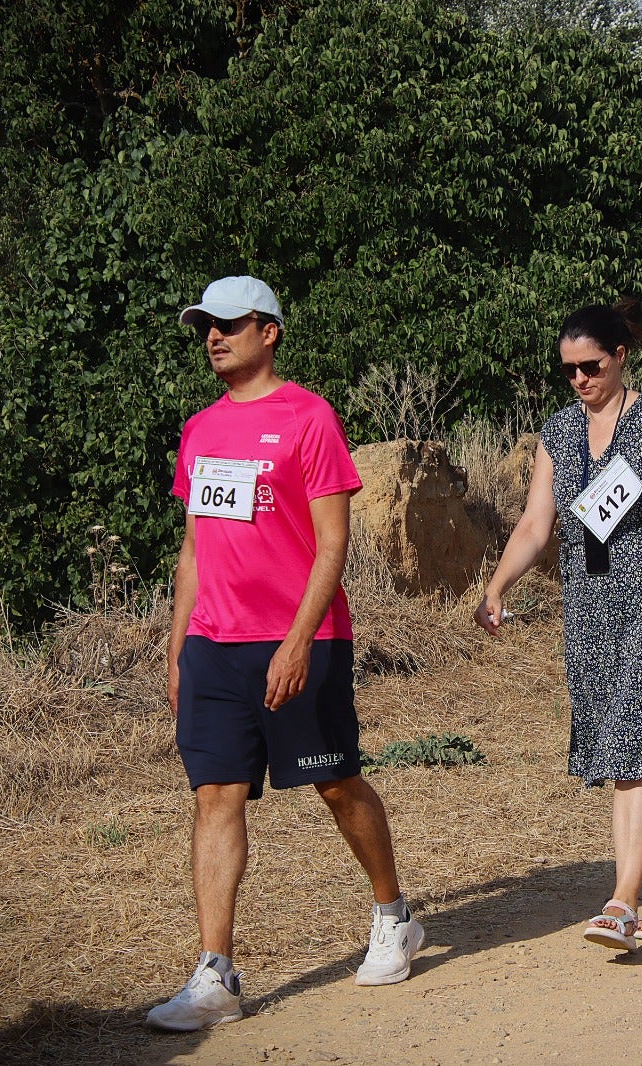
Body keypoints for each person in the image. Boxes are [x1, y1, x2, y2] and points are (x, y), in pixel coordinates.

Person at [148, 276, 423, 1032]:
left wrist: (298, 640)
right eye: (204, 324)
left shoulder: (309, 417)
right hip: (215, 646)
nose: (212, 335)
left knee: (336, 785)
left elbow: (333, 542)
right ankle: (216, 976)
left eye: (228, 323)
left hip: (302, 639)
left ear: (269, 331)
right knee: (216, 796)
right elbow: (194, 551)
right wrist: (178, 649)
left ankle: (393, 915)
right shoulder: (201, 429)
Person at [475, 301, 642, 951]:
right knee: (639, 749)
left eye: (590, 366)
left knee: (629, 740)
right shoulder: (560, 432)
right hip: (593, 606)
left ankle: (622, 900)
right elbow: (539, 523)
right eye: (567, 370)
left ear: (622, 355)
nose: (579, 380)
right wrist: (496, 584)